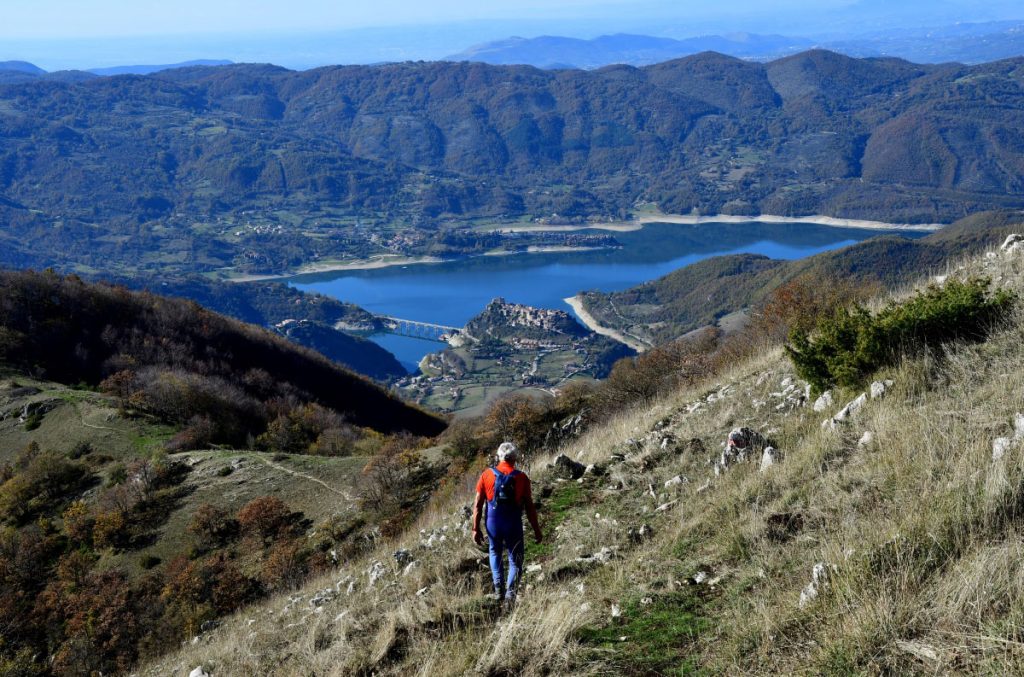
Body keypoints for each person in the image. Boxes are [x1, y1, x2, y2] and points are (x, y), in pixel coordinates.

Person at [471, 441, 542, 604]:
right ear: (515, 458)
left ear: (498, 457)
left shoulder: (486, 475)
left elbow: (477, 504)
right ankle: (510, 595)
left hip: (493, 523)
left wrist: (475, 528)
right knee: (515, 558)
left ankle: (498, 589)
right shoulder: (522, 478)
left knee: (495, 552)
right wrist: (536, 530)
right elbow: (530, 507)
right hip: (513, 524)